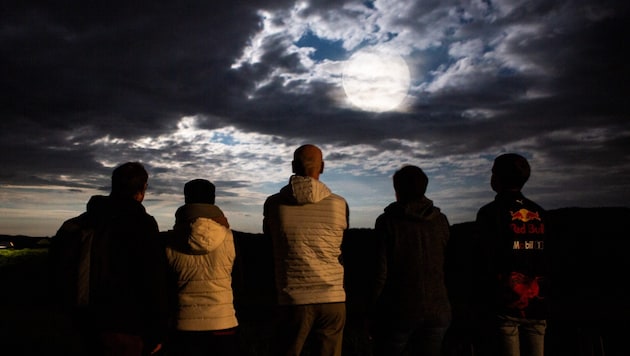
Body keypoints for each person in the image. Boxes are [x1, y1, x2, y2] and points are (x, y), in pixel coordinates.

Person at [49, 161, 168, 356]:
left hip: (81, 323)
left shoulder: (82, 222)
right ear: (143, 188)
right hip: (125, 325)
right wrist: (157, 331)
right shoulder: (141, 223)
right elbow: (153, 279)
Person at [263, 144, 349, 356]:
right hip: (333, 297)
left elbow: (269, 241)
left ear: (293, 166)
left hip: (293, 297)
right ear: (323, 167)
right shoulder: (340, 204)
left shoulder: (274, 204)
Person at [369, 165, 452, 356]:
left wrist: (372, 310)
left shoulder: (387, 221)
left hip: (398, 310)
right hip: (438, 308)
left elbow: (380, 272)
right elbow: (449, 263)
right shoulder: (441, 220)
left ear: (397, 190)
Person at [473, 153, 551, 356]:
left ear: (497, 178)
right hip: (537, 307)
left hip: (503, 305)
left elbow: (483, 258)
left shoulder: (490, 213)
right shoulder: (540, 213)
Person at [163, 179, 239, 356]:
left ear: (186, 199)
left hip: (183, 323)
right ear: (213, 199)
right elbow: (239, 280)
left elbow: (165, 284)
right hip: (223, 322)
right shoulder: (231, 238)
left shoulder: (169, 240)